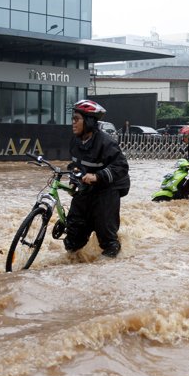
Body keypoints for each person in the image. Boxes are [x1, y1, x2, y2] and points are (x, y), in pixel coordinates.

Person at [64, 99, 130, 258]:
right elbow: (76, 165)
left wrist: (97, 176)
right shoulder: (75, 140)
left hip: (108, 189)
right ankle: (74, 262)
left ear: (88, 121)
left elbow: (121, 166)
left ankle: (109, 263)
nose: (73, 123)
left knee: (106, 234)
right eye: (72, 119)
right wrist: (74, 179)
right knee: (73, 234)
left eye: (76, 119)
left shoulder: (106, 143)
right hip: (86, 188)